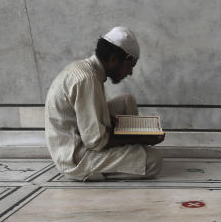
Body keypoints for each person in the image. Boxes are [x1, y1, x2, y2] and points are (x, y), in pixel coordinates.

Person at [44, 26, 164, 180]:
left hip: (82, 136)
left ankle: (129, 153)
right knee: (154, 160)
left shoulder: (88, 70)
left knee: (127, 101)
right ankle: (116, 163)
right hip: (76, 157)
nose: (130, 73)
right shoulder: (87, 79)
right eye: (130, 66)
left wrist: (117, 125)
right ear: (114, 59)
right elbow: (96, 141)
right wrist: (141, 138)